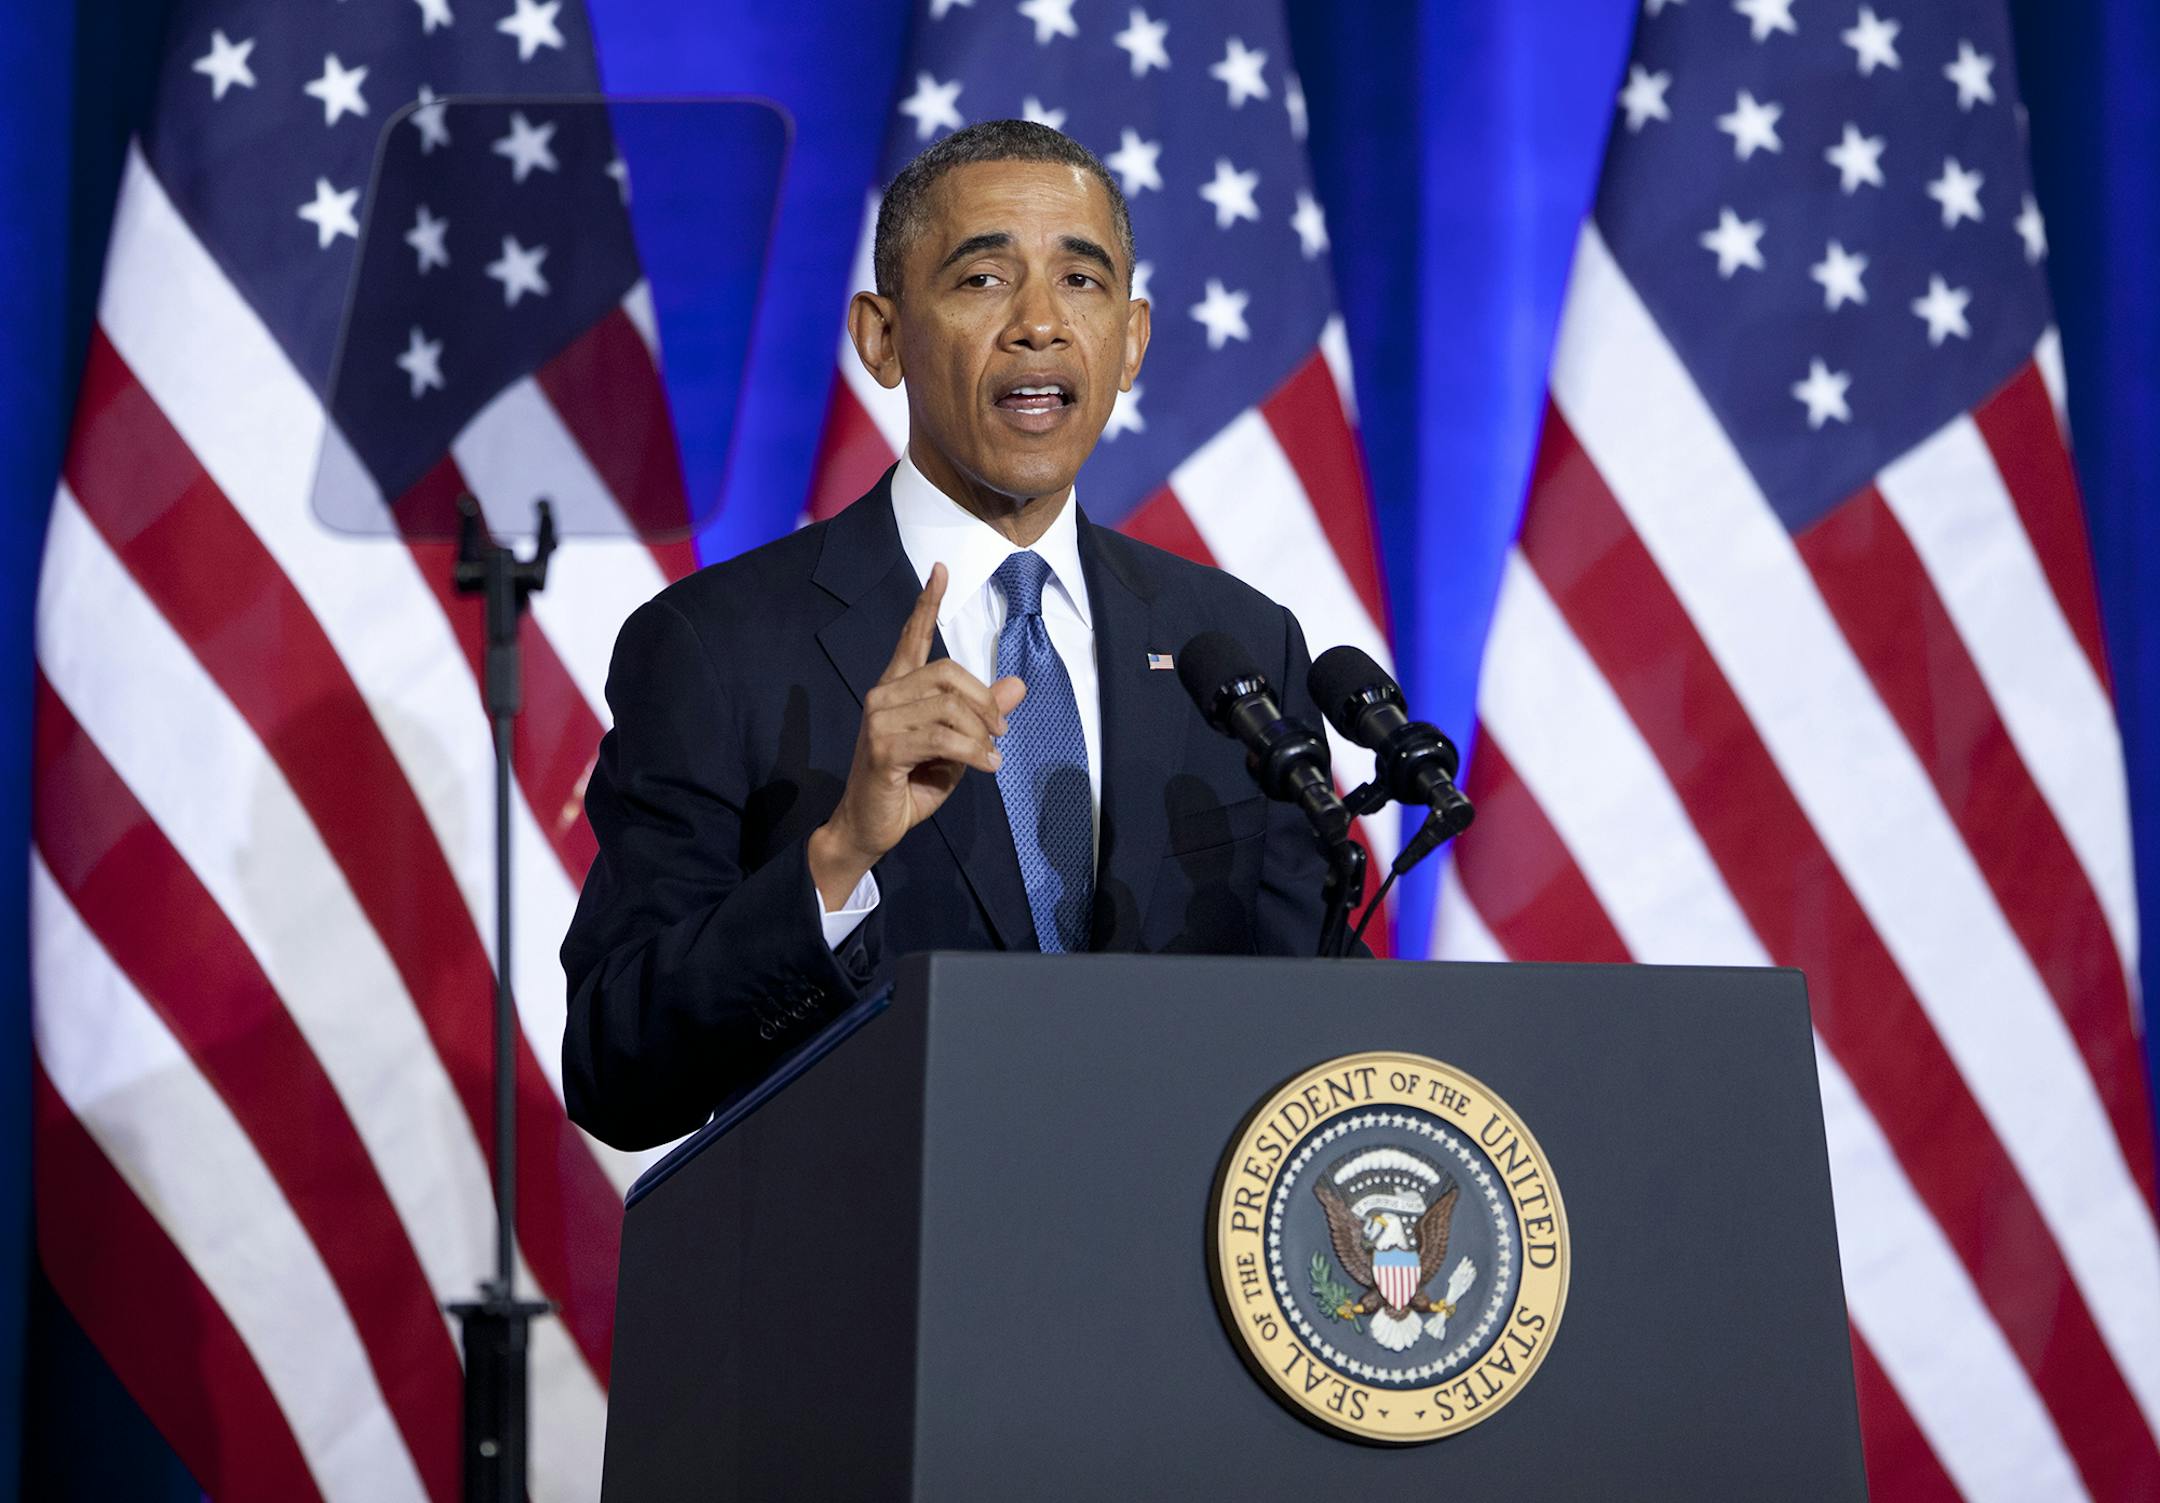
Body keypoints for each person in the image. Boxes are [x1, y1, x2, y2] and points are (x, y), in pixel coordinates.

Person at [562, 120, 1348, 1151]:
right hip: (877, 1285)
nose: (1039, 325)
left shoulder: (1238, 644)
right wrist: (841, 855)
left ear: (1132, 342)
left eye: (1082, 282)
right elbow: (618, 1072)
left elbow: (1316, 1020)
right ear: (882, 339)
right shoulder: (718, 649)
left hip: (1170, 1282)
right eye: (983, 281)